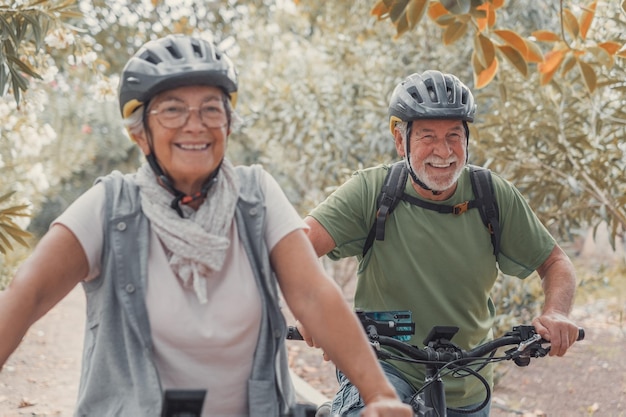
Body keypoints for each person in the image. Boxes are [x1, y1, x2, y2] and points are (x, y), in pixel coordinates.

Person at [0, 34, 413, 417]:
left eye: (211, 109)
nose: (195, 124)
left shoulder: (256, 197)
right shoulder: (110, 207)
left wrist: (379, 395)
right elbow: (28, 293)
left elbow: (313, 295)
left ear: (228, 124)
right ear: (140, 132)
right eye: (173, 109)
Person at [298, 70, 581, 417]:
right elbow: (296, 246)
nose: (443, 151)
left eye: (454, 136)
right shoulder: (373, 191)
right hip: (383, 366)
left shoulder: (491, 195)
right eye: (428, 136)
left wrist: (556, 313)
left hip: (468, 378)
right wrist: (310, 309)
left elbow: (555, 263)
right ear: (401, 141)